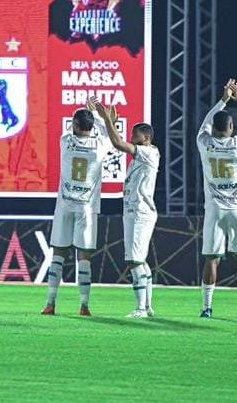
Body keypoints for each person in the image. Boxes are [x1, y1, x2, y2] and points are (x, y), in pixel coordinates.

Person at [195, 79, 237, 319]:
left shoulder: (205, 143)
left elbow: (204, 125)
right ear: (232, 128)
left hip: (214, 209)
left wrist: (223, 99)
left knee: (212, 258)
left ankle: (207, 307)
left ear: (214, 127)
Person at [42, 98, 112, 317]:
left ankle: (50, 303)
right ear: (91, 127)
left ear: (74, 125)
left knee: (58, 254)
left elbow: (81, 127)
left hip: (64, 205)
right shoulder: (100, 145)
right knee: (84, 257)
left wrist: (91, 115)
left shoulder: (66, 141)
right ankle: (84, 305)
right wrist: (101, 115)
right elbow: (108, 134)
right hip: (87, 208)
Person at [93, 100, 160, 318]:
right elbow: (119, 142)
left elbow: (118, 143)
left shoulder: (149, 153)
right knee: (140, 260)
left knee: (134, 260)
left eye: (136, 136)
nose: (132, 139)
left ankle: (140, 308)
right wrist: (109, 122)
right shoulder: (141, 156)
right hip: (134, 211)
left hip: (140, 212)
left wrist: (106, 120)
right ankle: (148, 307)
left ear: (146, 138)